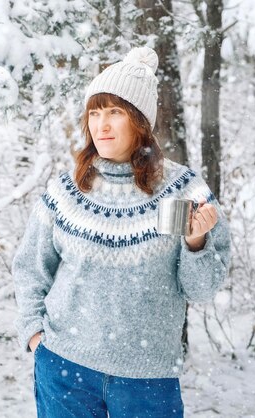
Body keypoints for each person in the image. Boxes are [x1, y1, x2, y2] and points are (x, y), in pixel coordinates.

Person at [12, 46, 231, 418]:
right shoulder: (66, 191)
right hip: (65, 367)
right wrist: (35, 335)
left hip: (148, 378)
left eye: (115, 112)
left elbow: (202, 289)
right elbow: (31, 268)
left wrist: (196, 243)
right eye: (95, 113)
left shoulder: (182, 189)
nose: (102, 125)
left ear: (140, 122)